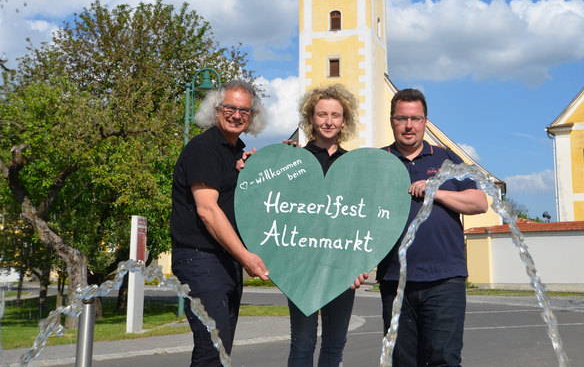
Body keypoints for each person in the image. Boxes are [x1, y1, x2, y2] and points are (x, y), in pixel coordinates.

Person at [377, 88, 488, 367]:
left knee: (444, 360)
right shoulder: (377, 162)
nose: (409, 125)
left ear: (425, 121)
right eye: (402, 118)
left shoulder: (447, 159)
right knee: (402, 362)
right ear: (392, 120)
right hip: (395, 281)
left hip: (445, 280)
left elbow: (479, 203)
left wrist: (435, 191)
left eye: (415, 118)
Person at [170, 79, 270, 367]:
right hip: (201, 260)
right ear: (216, 110)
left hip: (223, 262)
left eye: (244, 111)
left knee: (220, 351)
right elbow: (208, 211)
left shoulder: (235, 152)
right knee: (212, 352)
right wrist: (247, 258)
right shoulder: (205, 148)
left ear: (252, 117)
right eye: (229, 107)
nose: (236, 115)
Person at [287, 84, 368, 367]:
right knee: (302, 344)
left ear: (344, 120)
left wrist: (362, 263)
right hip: (301, 268)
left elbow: (363, 220)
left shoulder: (354, 165)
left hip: (341, 268)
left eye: (335, 115)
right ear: (311, 118)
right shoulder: (295, 160)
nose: (329, 121)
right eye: (322, 114)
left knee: (334, 346)